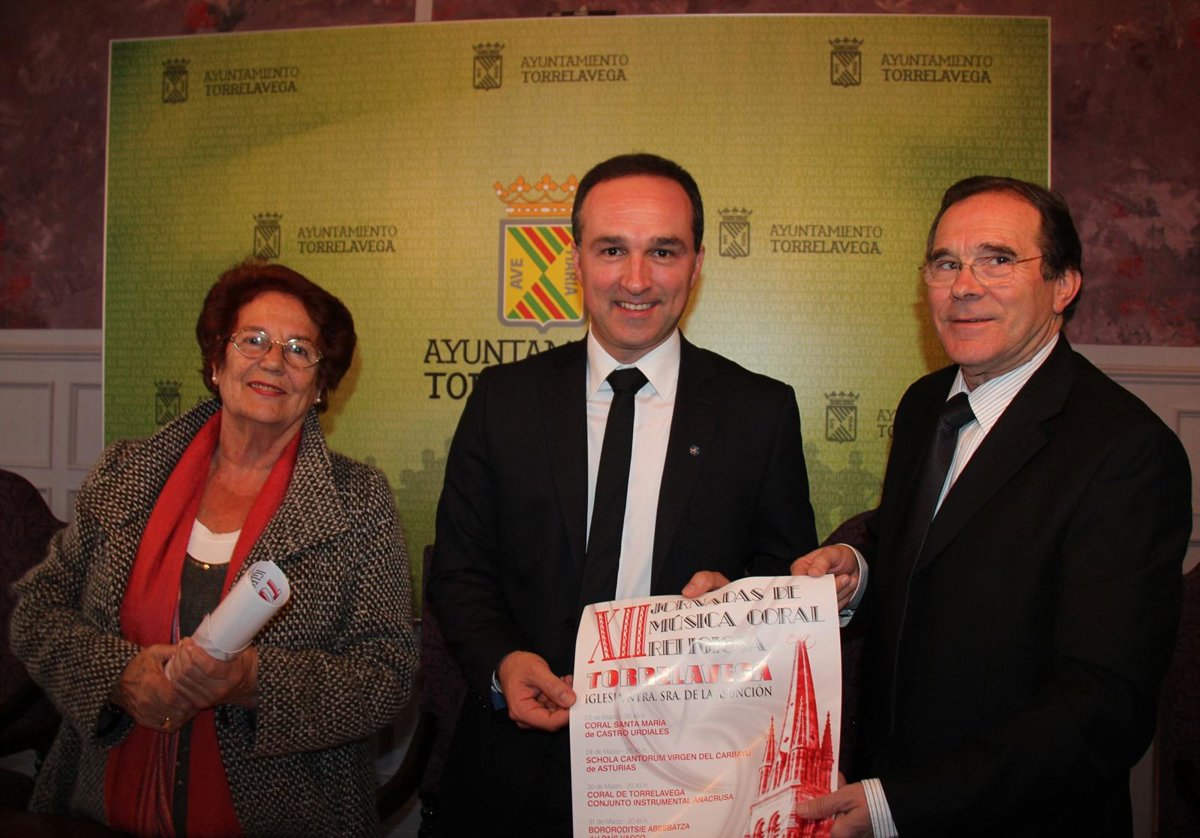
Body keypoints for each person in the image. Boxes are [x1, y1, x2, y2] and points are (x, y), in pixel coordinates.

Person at [427, 153, 831, 836]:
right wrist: (503, 663)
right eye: (612, 249)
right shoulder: (503, 400)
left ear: (696, 265)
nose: (636, 280)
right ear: (576, 261)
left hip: (692, 779)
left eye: (663, 251)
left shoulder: (759, 412)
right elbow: (460, 572)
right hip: (514, 768)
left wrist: (737, 605)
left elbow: (784, 582)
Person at [793, 176, 1193, 836]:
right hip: (884, 788)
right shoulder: (925, 405)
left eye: (998, 260)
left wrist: (899, 804)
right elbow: (927, 552)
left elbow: (1103, 708)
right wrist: (858, 572)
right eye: (945, 263)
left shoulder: (1126, 451)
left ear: (1064, 286)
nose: (964, 286)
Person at [11, 261, 417, 836]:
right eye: (253, 339)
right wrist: (118, 676)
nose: (273, 361)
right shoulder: (126, 472)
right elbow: (36, 611)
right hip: (97, 814)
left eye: (300, 350)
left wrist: (254, 682)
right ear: (216, 362)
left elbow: (388, 673)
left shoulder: (359, 500)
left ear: (320, 386)